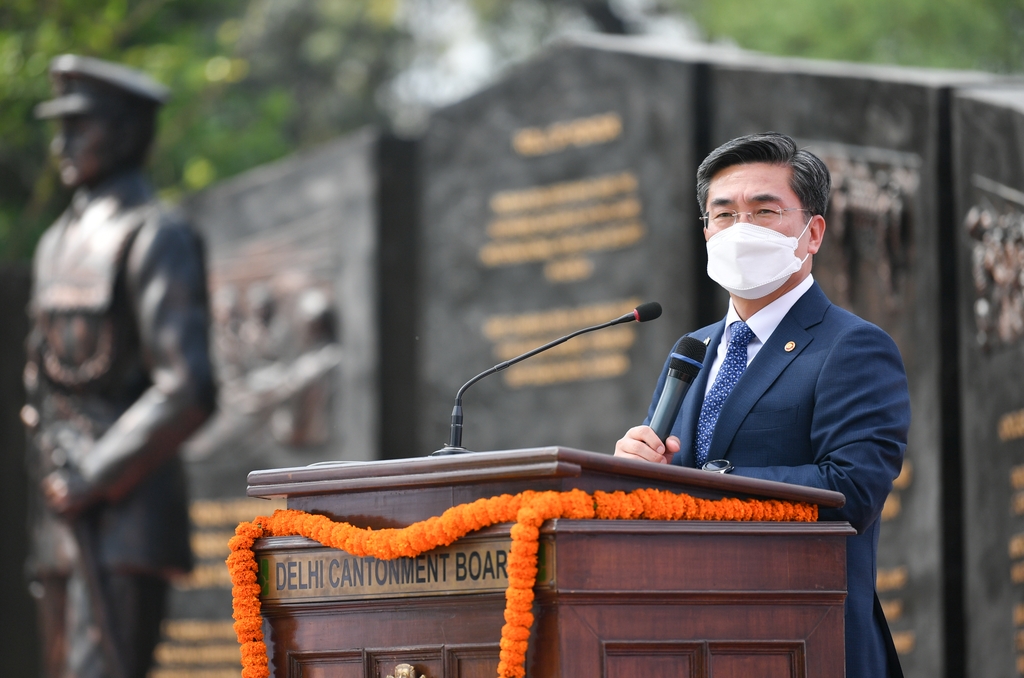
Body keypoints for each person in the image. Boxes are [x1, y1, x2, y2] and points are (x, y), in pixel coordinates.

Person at [614, 132, 910, 678]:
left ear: (812, 231)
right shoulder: (692, 351)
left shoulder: (852, 347)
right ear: (705, 231)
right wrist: (633, 478)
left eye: (764, 210)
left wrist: (705, 485)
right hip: (686, 644)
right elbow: (674, 493)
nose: (739, 229)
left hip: (804, 643)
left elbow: (852, 489)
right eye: (723, 214)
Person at [23, 54, 215, 678]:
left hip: (122, 516)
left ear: (130, 131)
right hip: (59, 514)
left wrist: (95, 475)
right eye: (61, 127)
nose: (63, 144)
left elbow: (187, 387)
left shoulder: (156, 235)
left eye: (82, 126)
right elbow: (43, 379)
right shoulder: (56, 240)